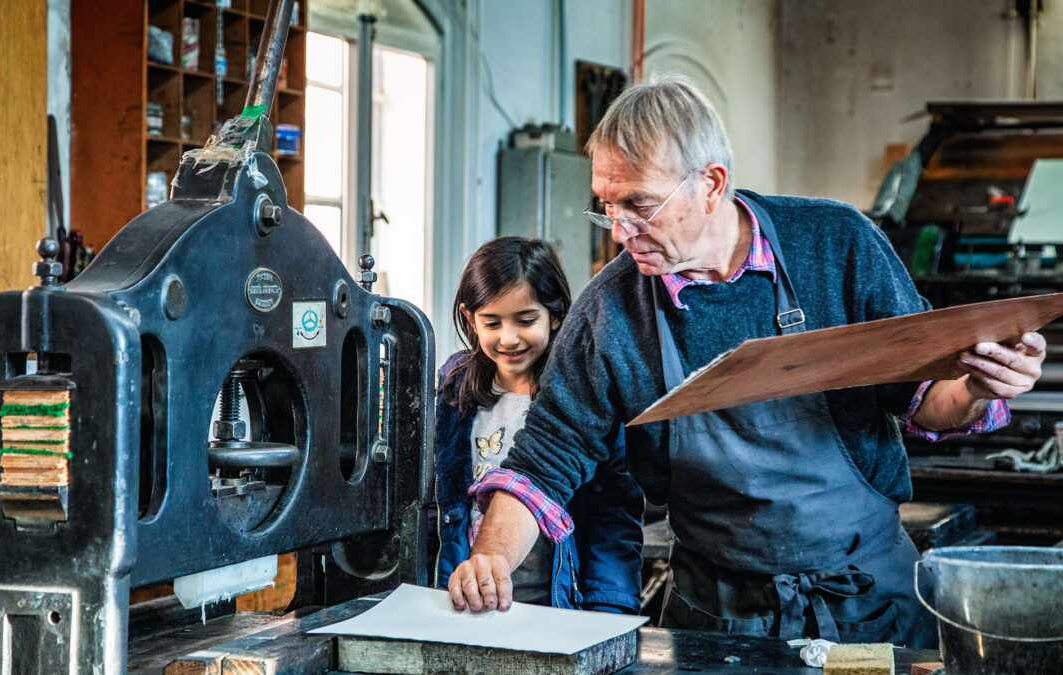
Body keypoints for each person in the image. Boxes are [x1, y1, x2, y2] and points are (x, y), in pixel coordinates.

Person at [447, 76, 1046, 647]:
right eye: (607, 206)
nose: (621, 231)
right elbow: (546, 458)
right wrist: (490, 557)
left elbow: (926, 399)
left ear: (711, 183)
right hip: (720, 615)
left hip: (872, 601)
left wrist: (975, 386)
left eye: (640, 205)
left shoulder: (836, 246)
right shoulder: (611, 311)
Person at [431, 235, 644, 614]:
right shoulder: (454, 389)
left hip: (559, 605)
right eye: (491, 322)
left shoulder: (587, 396)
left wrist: (609, 611)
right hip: (472, 606)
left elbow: (614, 517)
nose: (508, 338)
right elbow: (441, 505)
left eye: (526, 320)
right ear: (470, 319)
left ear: (558, 314)